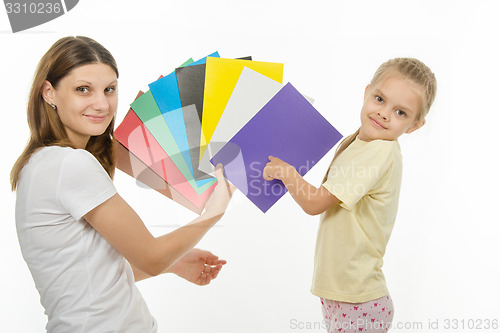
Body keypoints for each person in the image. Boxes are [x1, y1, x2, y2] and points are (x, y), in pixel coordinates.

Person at [10, 36, 235, 333]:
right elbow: (151, 258)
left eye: (109, 89)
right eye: (83, 90)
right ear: (49, 92)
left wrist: (174, 262)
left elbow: (85, 280)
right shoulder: (71, 164)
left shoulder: (39, 163)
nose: (102, 104)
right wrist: (214, 212)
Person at [263, 58, 437, 332]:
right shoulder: (359, 141)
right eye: (379, 99)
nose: (384, 113)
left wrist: (289, 174)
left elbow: (315, 202)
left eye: (401, 112)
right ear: (367, 92)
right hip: (344, 293)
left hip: (358, 298)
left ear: (414, 125)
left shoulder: (378, 151)